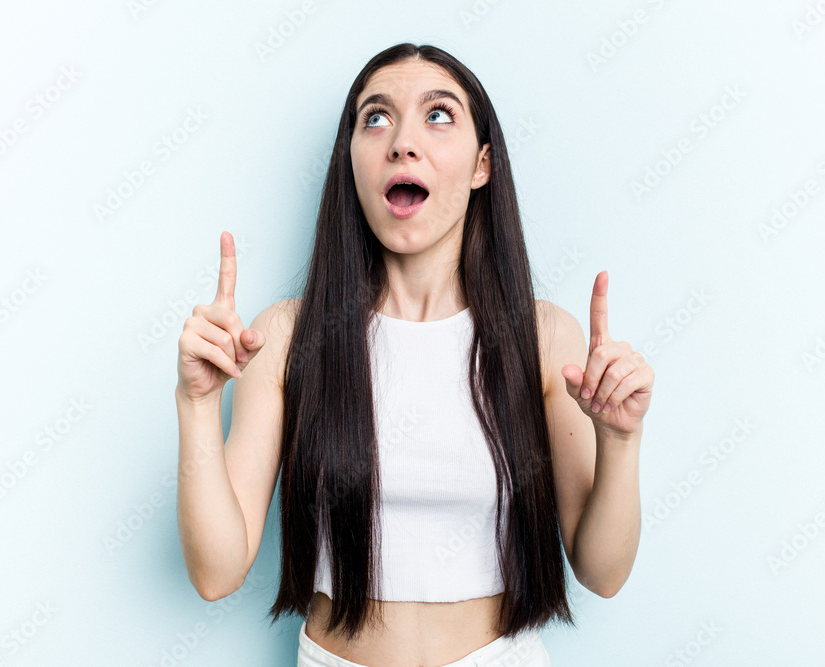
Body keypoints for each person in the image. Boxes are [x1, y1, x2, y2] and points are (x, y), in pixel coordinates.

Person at [175, 42, 654, 667]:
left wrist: (620, 441)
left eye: (438, 115)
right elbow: (216, 573)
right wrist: (197, 403)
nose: (402, 141)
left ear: (483, 164)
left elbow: (603, 573)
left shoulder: (542, 338)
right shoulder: (287, 337)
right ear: (351, 162)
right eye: (375, 118)